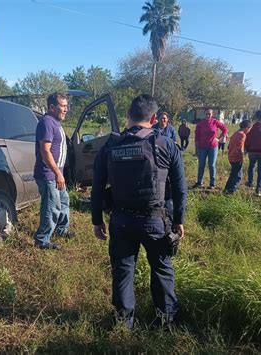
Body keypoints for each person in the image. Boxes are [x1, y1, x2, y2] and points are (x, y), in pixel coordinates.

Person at [91, 94, 187, 329]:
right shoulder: (166, 145)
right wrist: (179, 220)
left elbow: (97, 186)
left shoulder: (110, 145)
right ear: (154, 118)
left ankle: (124, 324)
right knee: (162, 269)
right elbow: (180, 188)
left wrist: (97, 220)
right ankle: (166, 320)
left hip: (121, 220)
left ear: (127, 117)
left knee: (123, 271)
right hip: (155, 221)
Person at [33, 92, 74, 249]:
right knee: (52, 206)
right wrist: (57, 173)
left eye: (66, 106)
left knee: (64, 201)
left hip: (57, 174)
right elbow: (45, 151)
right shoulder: (47, 123)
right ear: (51, 107)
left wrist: (60, 173)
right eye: (62, 106)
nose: (66, 109)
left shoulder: (55, 122)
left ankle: (61, 230)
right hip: (48, 174)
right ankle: (42, 240)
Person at [194, 109, 228, 189]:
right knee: (201, 165)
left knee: (211, 165)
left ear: (212, 114)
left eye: (209, 114)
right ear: (204, 114)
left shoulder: (215, 122)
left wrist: (219, 138)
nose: (207, 116)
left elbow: (225, 129)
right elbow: (196, 137)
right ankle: (199, 182)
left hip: (213, 147)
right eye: (206, 114)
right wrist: (196, 149)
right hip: (202, 148)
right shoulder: (200, 124)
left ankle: (212, 184)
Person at [224, 120, 252, 194]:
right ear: (246, 128)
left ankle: (227, 189)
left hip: (231, 157)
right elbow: (240, 148)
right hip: (237, 158)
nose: (249, 131)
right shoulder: (242, 135)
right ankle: (233, 190)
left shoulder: (235, 133)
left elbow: (228, 146)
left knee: (233, 174)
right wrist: (242, 157)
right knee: (238, 176)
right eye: (249, 129)